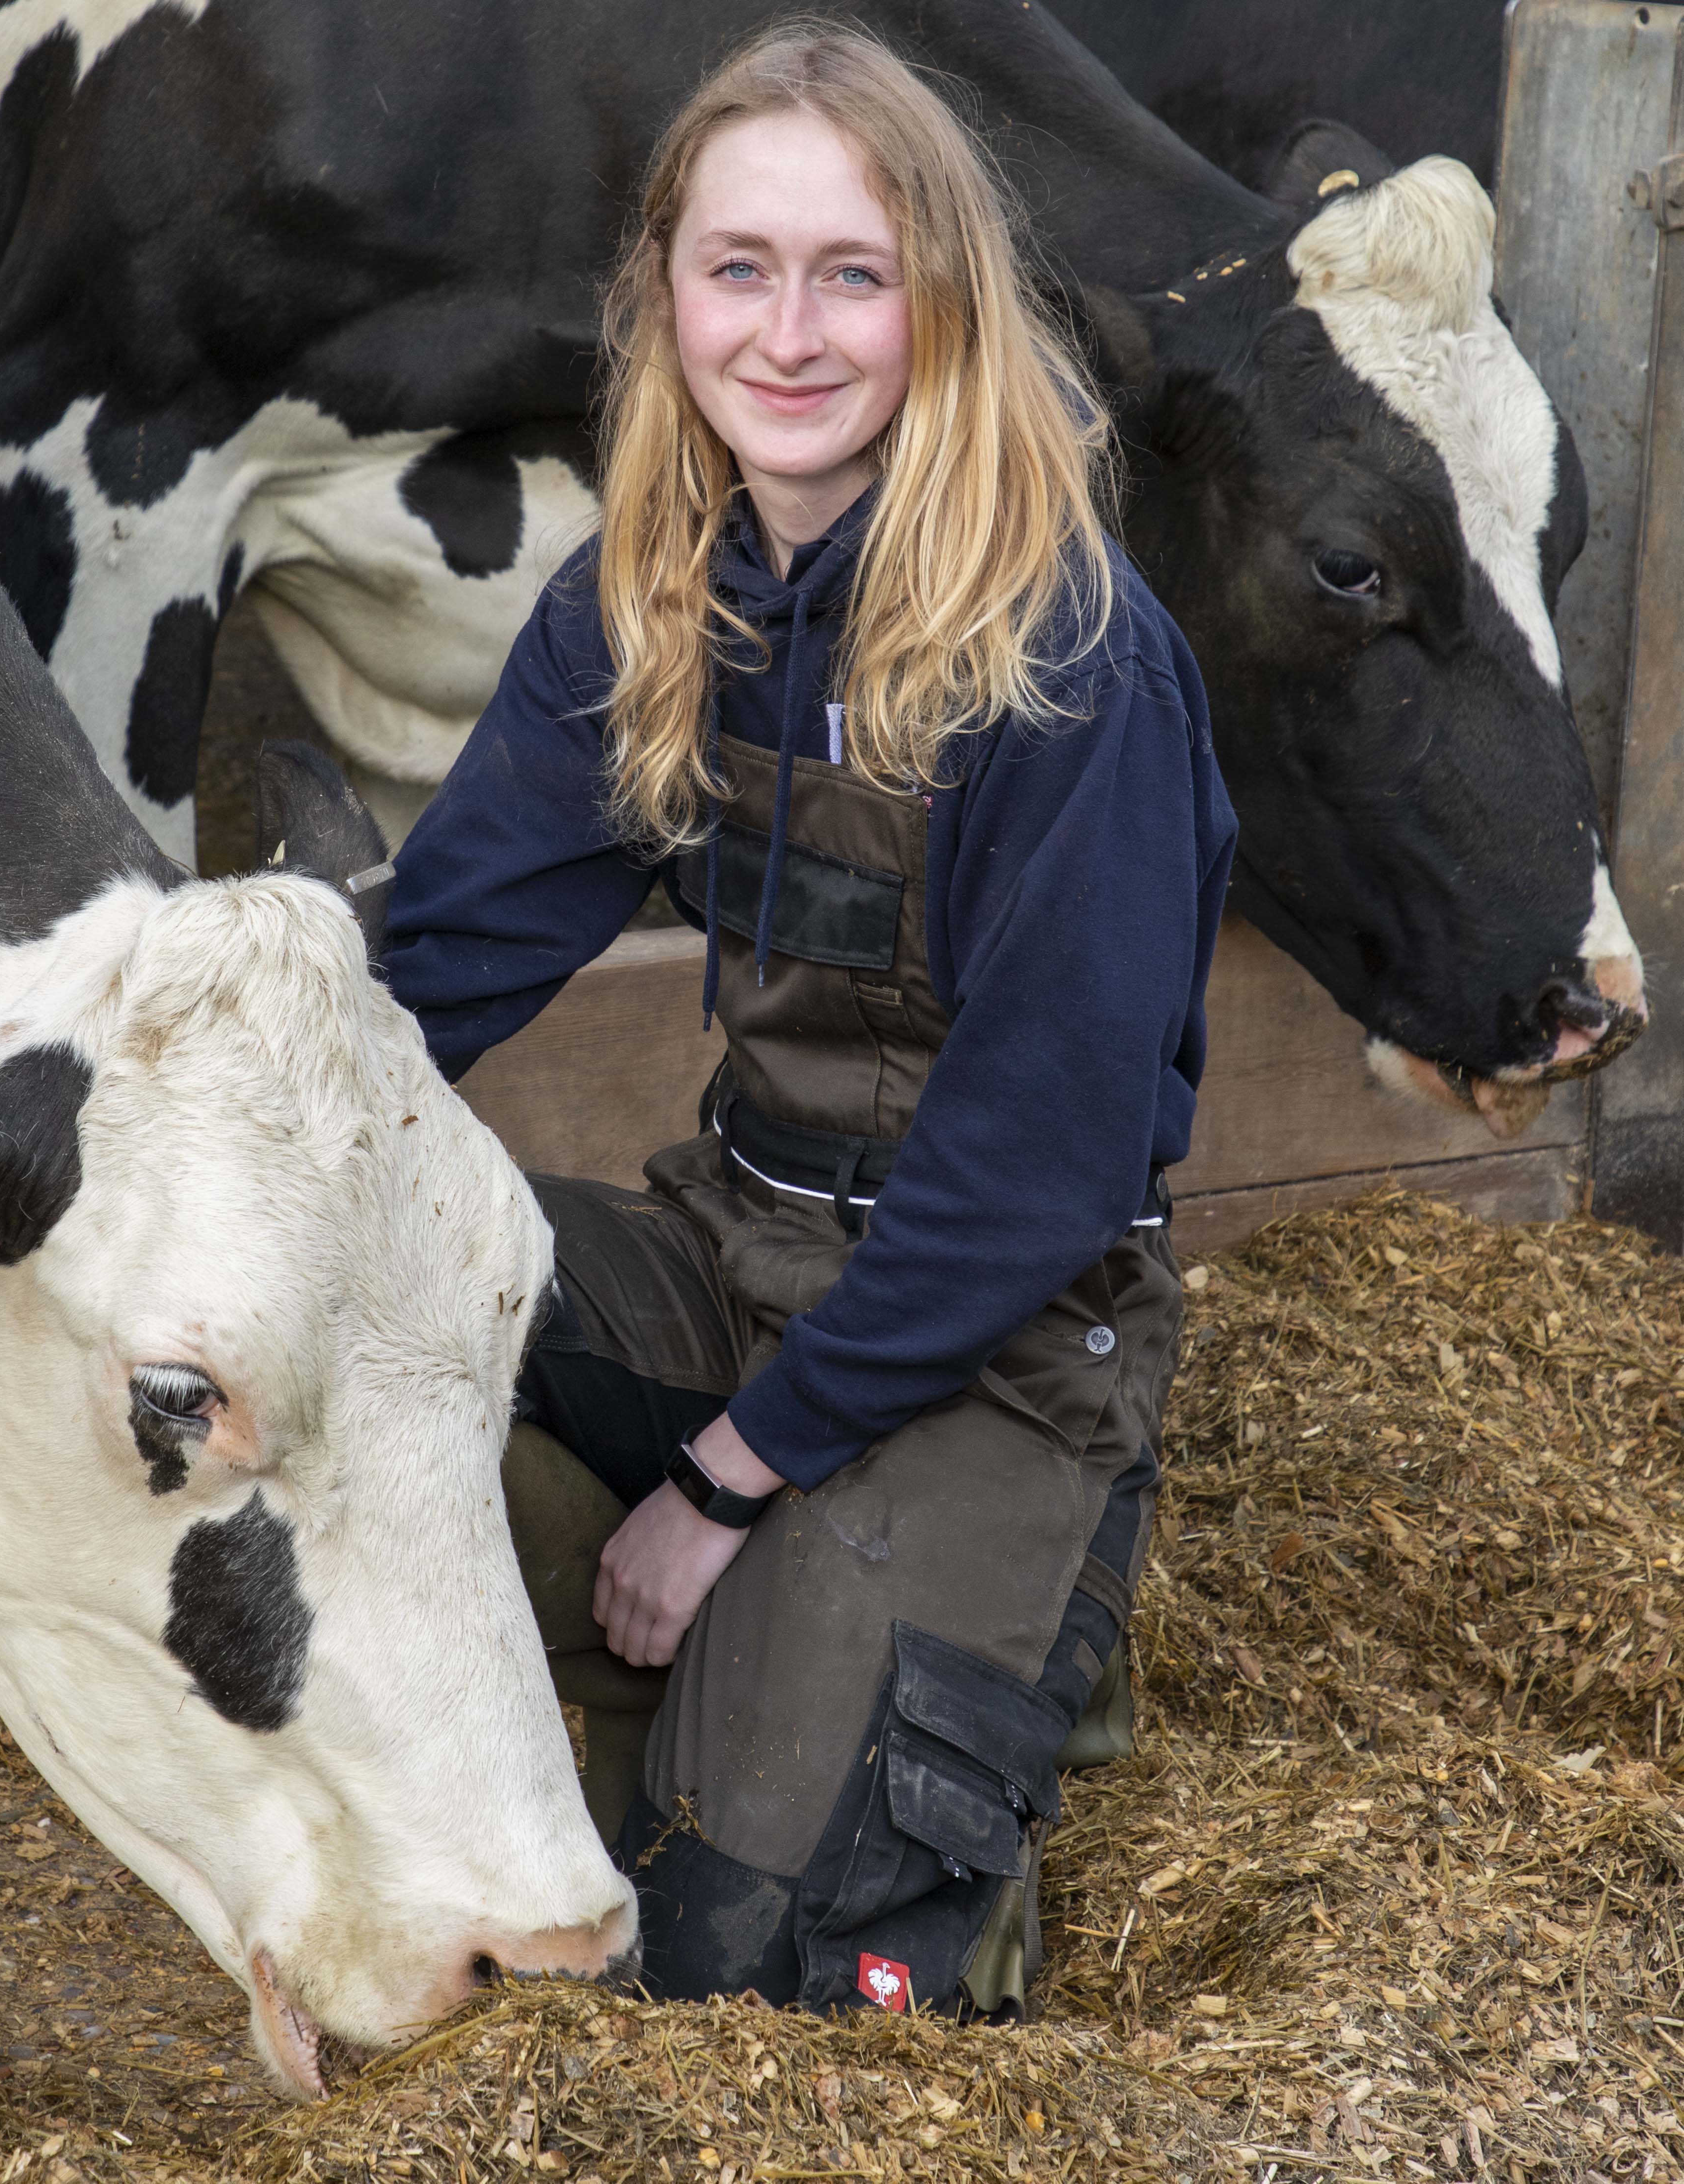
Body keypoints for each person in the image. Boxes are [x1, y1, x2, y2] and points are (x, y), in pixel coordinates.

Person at [384, 22, 1236, 2017]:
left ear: (940, 302)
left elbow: (1029, 1180)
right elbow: (432, 968)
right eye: (736, 268)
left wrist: (712, 1487)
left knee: (741, 1985)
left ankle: (977, 1671)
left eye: (850, 274)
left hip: (999, 1340)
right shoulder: (649, 596)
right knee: (357, 1293)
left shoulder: (1067, 659)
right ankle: (715, 1676)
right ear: (662, 293)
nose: (786, 332)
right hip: (730, 1242)